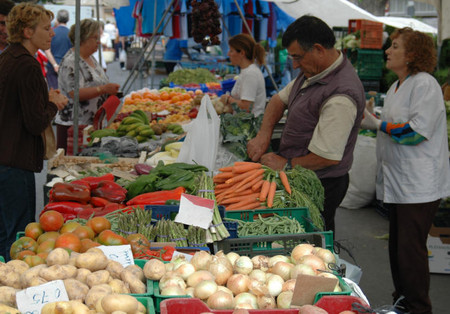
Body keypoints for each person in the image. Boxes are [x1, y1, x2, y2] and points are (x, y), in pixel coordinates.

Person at [247, 15, 365, 233]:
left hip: (320, 183)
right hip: (299, 173)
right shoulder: (314, 72)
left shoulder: (341, 95)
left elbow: (326, 157)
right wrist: (263, 135)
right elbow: (278, 100)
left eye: (298, 57)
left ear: (318, 49)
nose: (295, 64)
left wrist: (285, 164)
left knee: (314, 239)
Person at [360, 28, 450, 314]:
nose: (388, 50)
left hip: (419, 184)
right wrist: (377, 117)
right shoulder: (399, 85)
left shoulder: (425, 85)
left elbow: (415, 133)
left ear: (412, 55)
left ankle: (419, 308)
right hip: (399, 181)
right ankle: (403, 301)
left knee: (410, 251)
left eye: (395, 46)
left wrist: (378, 124)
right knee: (398, 250)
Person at [0, 2, 68, 260]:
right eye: (46, 28)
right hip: (15, 162)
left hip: (5, 159)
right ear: (28, 32)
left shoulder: (8, 57)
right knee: (19, 236)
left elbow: (15, 106)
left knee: (5, 231)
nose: (52, 33)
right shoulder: (27, 65)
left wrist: (44, 98)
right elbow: (35, 122)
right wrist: (53, 103)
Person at [55, 19, 120, 152]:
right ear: (83, 38)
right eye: (95, 38)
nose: (98, 41)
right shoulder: (71, 61)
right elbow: (74, 93)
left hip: (89, 124)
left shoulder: (91, 58)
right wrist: (103, 89)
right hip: (73, 126)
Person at [221, 33, 266, 116]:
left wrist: (228, 99)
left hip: (249, 127)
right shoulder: (246, 71)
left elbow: (246, 106)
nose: (228, 54)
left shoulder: (251, 74)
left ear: (242, 53)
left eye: (231, 51)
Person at [44, 9, 71, 89]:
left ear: (57, 19)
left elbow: (47, 50)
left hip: (52, 66)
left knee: (54, 94)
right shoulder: (71, 34)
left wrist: (55, 65)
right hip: (67, 66)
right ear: (68, 19)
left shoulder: (52, 33)